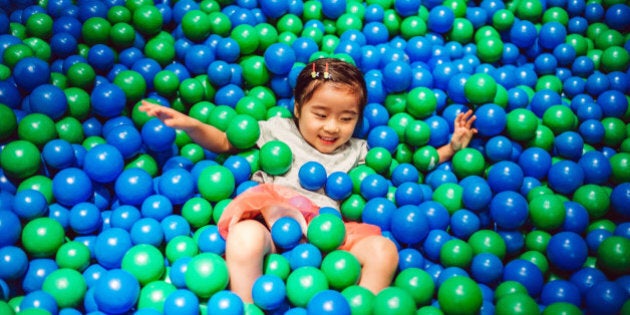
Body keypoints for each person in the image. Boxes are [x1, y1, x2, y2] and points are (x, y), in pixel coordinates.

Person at [140, 57, 478, 303]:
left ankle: (362, 304)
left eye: (347, 118)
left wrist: (450, 148)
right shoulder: (276, 129)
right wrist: (190, 125)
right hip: (272, 221)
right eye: (321, 114)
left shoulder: (359, 150)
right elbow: (227, 142)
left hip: (327, 234)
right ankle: (245, 304)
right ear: (298, 108)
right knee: (244, 235)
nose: (332, 127)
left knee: (383, 248)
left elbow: (407, 166)